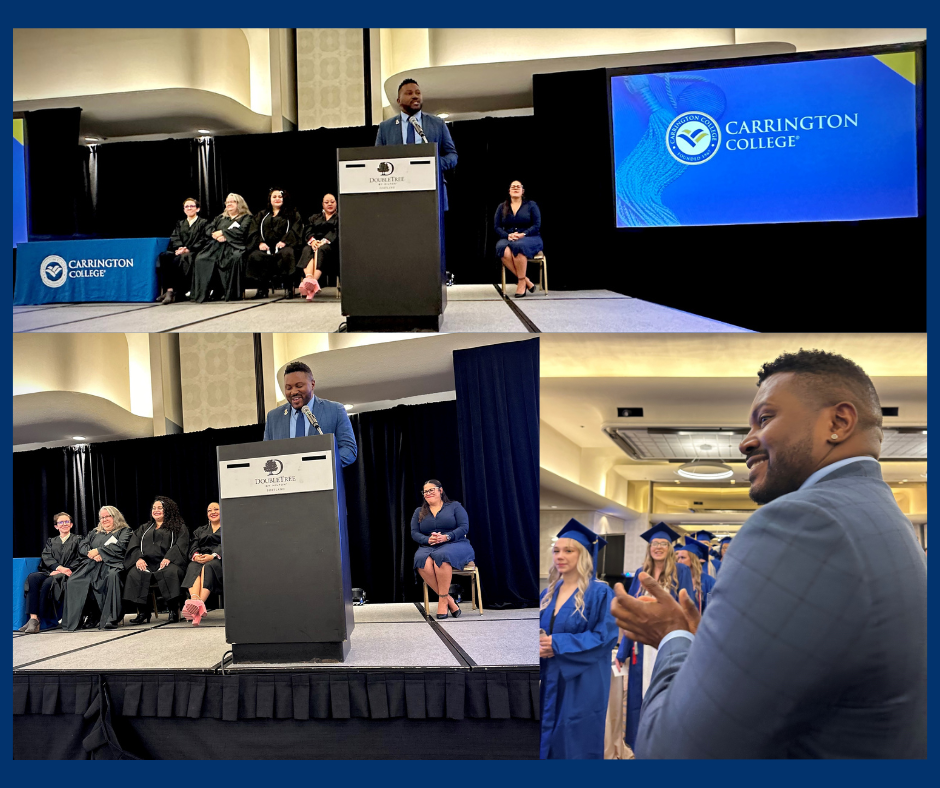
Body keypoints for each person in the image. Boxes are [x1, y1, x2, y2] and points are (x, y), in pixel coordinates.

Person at [611, 349, 928, 758]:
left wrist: (673, 635)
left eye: (765, 418)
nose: (745, 442)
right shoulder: (883, 516)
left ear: (838, 422)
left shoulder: (803, 523)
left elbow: (674, 751)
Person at [539, 519, 618, 759]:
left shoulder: (601, 592)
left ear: (583, 555)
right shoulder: (547, 593)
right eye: (556, 551)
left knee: (576, 736)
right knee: (548, 734)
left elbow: (605, 637)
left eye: (568, 551)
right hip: (551, 675)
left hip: (584, 677)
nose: (560, 556)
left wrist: (557, 644)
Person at [613, 523, 695, 753]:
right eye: (654, 544)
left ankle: (665, 745)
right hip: (641, 644)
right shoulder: (640, 574)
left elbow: (685, 607)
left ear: (669, 548)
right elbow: (631, 613)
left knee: (667, 690)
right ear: (649, 548)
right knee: (640, 695)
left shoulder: (682, 572)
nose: (658, 547)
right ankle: (641, 745)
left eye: (663, 544)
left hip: (668, 641)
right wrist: (622, 651)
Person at [375, 79, 458, 211]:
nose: (415, 96)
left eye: (418, 93)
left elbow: (452, 155)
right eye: (409, 93)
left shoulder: (437, 124)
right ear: (398, 101)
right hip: (398, 193)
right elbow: (377, 158)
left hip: (431, 191)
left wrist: (435, 163)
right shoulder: (385, 127)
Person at [262, 360, 357, 466]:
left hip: (322, 479)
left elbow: (349, 449)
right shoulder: (273, 417)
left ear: (312, 384)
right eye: (288, 388)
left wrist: (324, 464)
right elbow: (266, 455)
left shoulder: (335, 410)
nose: (293, 392)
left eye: (299, 386)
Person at [61, 506, 132, 631]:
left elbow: (121, 546)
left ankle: (111, 617)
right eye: (102, 517)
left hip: (113, 564)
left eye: (107, 517)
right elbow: (83, 544)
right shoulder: (95, 532)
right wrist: (90, 553)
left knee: (112, 576)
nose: (104, 520)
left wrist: (99, 551)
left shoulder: (124, 531)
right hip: (92, 564)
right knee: (74, 581)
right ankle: (83, 617)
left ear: (115, 516)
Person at [411, 479, 474, 619]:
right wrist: (427, 539)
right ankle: (449, 600)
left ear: (440, 490)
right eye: (425, 491)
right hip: (429, 545)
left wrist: (447, 537)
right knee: (421, 560)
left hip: (455, 543)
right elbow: (414, 533)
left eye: (431, 490)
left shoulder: (455, 506)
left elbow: (464, 527)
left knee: (442, 556)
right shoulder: (419, 512)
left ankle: (442, 604)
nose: (427, 493)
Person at [123, 497, 190, 624]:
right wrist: (138, 558)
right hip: (147, 563)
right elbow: (134, 544)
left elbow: (181, 545)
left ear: (168, 510)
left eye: (160, 508)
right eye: (154, 508)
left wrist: (169, 557)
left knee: (171, 573)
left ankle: (173, 610)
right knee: (135, 573)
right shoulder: (144, 528)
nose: (156, 510)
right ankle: (143, 612)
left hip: (169, 562)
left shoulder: (178, 527)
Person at [20, 512, 83, 633]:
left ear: (71, 524)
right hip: (52, 571)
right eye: (61, 522)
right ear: (56, 526)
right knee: (32, 577)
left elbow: (80, 558)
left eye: (67, 522)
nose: (64, 524)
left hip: (68, 573)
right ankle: (33, 618)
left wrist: (63, 570)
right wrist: (58, 568)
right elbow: (47, 557)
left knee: (48, 583)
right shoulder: (51, 541)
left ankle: (41, 619)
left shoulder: (78, 540)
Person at [191, 193, 251, 303]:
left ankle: (229, 292)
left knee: (234, 258)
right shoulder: (220, 217)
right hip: (216, 246)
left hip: (234, 246)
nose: (229, 204)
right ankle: (203, 293)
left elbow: (242, 231)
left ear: (239, 203)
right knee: (201, 259)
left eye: (232, 202)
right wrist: (215, 234)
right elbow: (209, 228)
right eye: (227, 202)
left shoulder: (246, 218)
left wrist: (224, 233)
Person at [245, 188, 304, 299]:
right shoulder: (262, 215)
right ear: (270, 199)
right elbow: (254, 231)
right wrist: (260, 243)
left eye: (280, 197)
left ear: (284, 198)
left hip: (284, 246)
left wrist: (284, 241)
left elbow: (295, 230)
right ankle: (262, 289)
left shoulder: (292, 214)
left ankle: (288, 288)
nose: (277, 199)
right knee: (256, 255)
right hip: (266, 247)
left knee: (287, 253)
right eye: (274, 197)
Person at [494, 181, 543, 298]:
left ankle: (521, 283)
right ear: (509, 191)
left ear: (522, 191)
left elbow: (537, 225)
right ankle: (526, 281)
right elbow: (497, 227)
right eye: (513, 186)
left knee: (519, 246)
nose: (515, 188)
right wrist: (507, 236)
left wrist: (524, 234)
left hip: (530, 237)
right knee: (502, 249)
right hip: (509, 237)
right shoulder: (502, 206)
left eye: (518, 186)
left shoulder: (531, 205)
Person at [156, 197, 209, 304]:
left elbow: (204, 239)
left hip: (194, 251)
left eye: (192, 206)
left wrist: (188, 249)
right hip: (180, 251)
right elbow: (174, 237)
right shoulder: (180, 224)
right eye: (186, 206)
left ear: (197, 209)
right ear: (184, 209)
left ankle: (173, 292)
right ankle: (170, 291)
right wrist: (180, 248)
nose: (189, 208)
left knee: (181, 259)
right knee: (164, 256)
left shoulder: (203, 223)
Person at [181, 502, 223, 626]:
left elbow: (227, 545)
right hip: (201, 558)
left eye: (216, 509)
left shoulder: (227, 528)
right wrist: (196, 555)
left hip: (219, 560)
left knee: (208, 567)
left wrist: (213, 555)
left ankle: (197, 609)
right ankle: (195, 601)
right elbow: (193, 545)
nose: (213, 512)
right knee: (193, 566)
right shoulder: (200, 530)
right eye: (210, 510)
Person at [297, 193, 338, 300]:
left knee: (321, 249)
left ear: (336, 203)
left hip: (332, 248)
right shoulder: (314, 218)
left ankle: (312, 284)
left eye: (332, 202)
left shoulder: (340, 217)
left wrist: (324, 241)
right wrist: (313, 241)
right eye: (327, 202)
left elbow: (336, 232)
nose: (330, 204)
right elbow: (308, 230)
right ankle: (309, 279)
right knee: (307, 248)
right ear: (322, 204)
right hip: (315, 244)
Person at [674, 539, 714, 614]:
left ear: (693, 560)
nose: (679, 562)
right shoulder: (675, 579)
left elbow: (711, 610)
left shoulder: (709, 582)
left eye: (683, 558)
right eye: (678, 558)